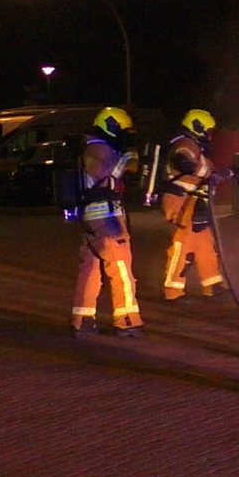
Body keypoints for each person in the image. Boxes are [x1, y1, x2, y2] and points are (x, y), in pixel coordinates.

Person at [71, 107, 145, 337]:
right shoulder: (99, 148)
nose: (125, 135)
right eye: (122, 131)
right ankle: (127, 321)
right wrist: (130, 157)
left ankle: (82, 319)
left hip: (92, 217)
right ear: (111, 127)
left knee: (91, 268)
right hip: (106, 219)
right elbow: (116, 172)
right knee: (121, 267)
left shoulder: (90, 146)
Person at [160, 109, 233, 302]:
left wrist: (226, 173)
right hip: (182, 202)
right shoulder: (184, 144)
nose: (209, 136)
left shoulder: (196, 147)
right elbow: (183, 161)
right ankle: (173, 291)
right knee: (182, 245)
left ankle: (212, 284)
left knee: (205, 244)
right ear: (198, 127)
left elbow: (206, 173)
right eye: (208, 131)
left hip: (195, 203)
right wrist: (210, 174)